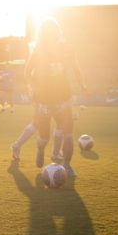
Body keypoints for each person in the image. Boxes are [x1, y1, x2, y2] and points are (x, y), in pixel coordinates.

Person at [26, 19, 86, 175]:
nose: (51, 36)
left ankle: (67, 165)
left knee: (68, 134)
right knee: (44, 137)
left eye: (54, 32)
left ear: (58, 33)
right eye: (48, 33)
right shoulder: (38, 50)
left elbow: (76, 67)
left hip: (64, 97)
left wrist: (82, 85)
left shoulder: (66, 48)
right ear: (43, 35)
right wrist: (34, 87)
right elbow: (27, 72)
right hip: (44, 100)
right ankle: (40, 149)